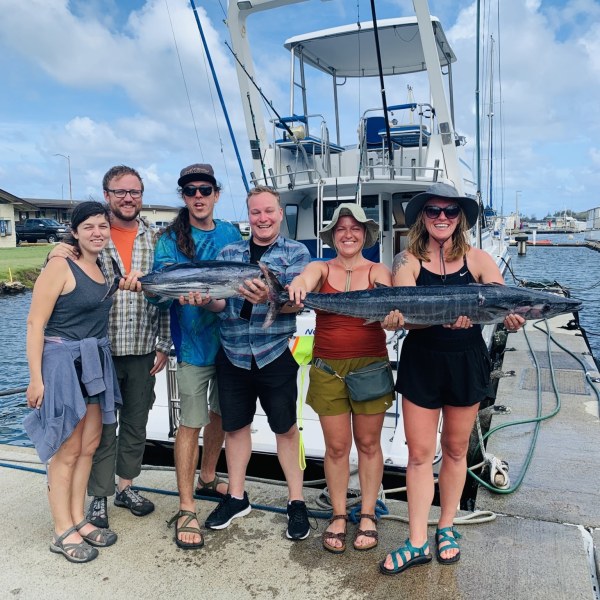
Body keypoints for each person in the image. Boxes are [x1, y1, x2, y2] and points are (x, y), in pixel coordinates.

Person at [379, 182, 525, 575]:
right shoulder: (406, 260)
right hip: (422, 362)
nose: (442, 218)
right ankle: (415, 540)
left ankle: (446, 527)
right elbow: (406, 310)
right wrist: (398, 319)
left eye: (450, 211)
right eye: (434, 211)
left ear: (460, 217)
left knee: (457, 451)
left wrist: (511, 315)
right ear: (422, 217)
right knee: (419, 455)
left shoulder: (477, 259)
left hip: (465, 361)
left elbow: (501, 300)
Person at [185, 185, 312, 540]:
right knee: (235, 428)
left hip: (274, 353)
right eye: (256, 212)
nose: (263, 218)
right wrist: (202, 300)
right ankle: (237, 497)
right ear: (248, 216)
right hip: (234, 355)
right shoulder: (230, 252)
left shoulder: (295, 253)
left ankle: (296, 502)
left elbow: (297, 303)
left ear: (278, 212)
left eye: (269, 211)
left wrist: (271, 296)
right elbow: (221, 304)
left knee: (285, 430)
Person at [49, 165, 171, 529]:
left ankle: (126, 487)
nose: (128, 198)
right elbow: (59, 275)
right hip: (98, 351)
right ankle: (98, 496)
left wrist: (163, 344)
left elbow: (163, 292)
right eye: (120, 192)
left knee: (136, 422)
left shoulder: (156, 239)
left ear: (142, 195)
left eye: (134, 192)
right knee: (101, 427)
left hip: (143, 346)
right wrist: (57, 250)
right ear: (107, 195)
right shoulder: (88, 238)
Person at [286, 204, 402, 554]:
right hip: (328, 368)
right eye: (340, 229)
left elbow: (388, 302)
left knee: (369, 444)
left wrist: (392, 317)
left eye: (355, 228)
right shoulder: (320, 268)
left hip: (370, 367)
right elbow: (304, 280)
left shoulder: (379, 271)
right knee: (336, 448)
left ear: (365, 235)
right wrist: (296, 284)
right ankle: (338, 513)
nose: (348, 234)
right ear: (332, 236)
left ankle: (367, 513)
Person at [24, 202, 122, 563]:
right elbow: (35, 324)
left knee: (89, 445)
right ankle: (61, 528)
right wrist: (35, 379)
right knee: (66, 449)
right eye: (90, 226)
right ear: (75, 231)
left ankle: (79, 517)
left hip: (94, 363)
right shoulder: (59, 265)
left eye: (103, 226)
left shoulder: (102, 266)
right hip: (62, 363)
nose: (98, 232)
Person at [151, 163, 241, 549]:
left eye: (205, 190)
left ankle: (208, 477)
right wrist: (177, 293)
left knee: (221, 414)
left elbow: (239, 284)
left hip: (232, 342)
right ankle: (186, 505)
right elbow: (154, 292)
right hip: (191, 345)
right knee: (190, 422)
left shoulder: (231, 233)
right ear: (183, 197)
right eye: (191, 191)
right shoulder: (169, 239)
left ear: (216, 194)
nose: (199, 196)